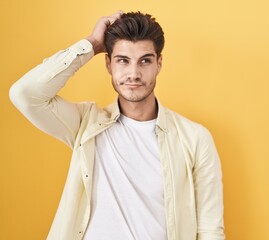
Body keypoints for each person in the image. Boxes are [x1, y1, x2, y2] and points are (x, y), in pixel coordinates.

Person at [9, 11, 224, 240]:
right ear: (108, 64)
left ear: (159, 64)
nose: (134, 73)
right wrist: (91, 44)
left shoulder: (195, 138)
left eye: (145, 61)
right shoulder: (86, 125)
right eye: (123, 60)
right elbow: (25, 94)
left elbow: (210, 230)